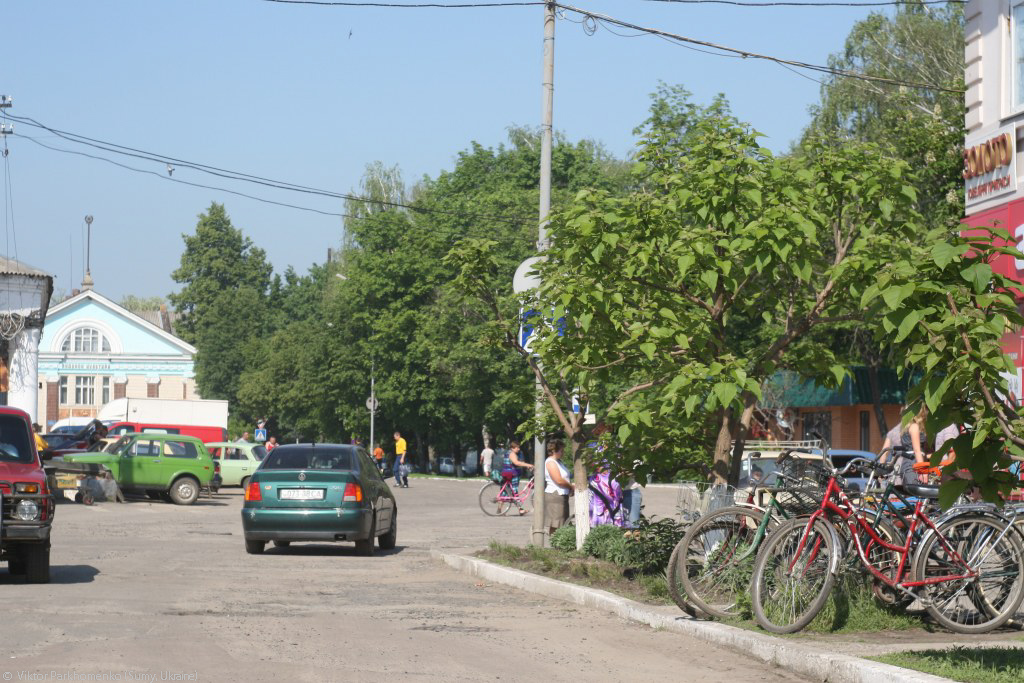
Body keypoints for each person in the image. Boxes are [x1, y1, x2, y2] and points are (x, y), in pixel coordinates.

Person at [544, 439, 572, 534]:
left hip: (562, 495)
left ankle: (558, 541)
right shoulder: (551, 462)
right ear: (554, 450)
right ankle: (554, 541)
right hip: (555, 495)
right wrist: (571, 486)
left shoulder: (558, 462)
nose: (563, 453)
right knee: (556, 523)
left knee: (562, 522)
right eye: (561, 451)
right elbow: (558, 480)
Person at [499, 441, 534, 515]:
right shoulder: (512, 454)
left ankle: (499, 510)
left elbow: (519, 462)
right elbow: (516, 463)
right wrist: (529, 465)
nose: (518, 449)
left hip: (508, 474)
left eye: (519, 447)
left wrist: (525, 465)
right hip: (512, 475)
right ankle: (520, 509)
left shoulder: (510, 453)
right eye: (517, 448)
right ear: (512, 448)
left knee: (506, 491)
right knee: (514, 492)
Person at [589, 461, 624, 527]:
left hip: (612, 480)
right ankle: (599, 526)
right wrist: (597, 467)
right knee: (599, 506)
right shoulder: (594, 453)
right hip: (599, 481)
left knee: (615, 503)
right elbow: (588, 462)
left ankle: (614, 524)